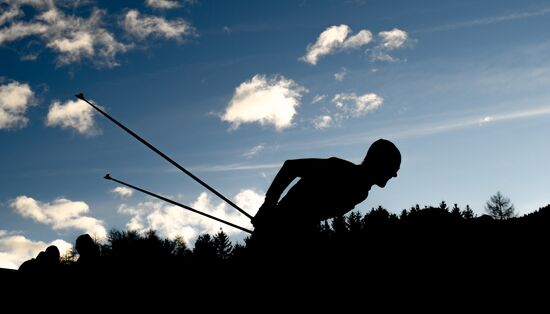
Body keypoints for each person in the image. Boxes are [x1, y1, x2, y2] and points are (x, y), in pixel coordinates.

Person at [250, 138, 401, 250]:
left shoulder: (362, 193)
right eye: (393, 168)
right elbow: (291, 167)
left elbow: (315, 214)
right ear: (380, 164)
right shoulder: (340, 169)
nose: (394, 175)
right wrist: (267, 206)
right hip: (277, 229)